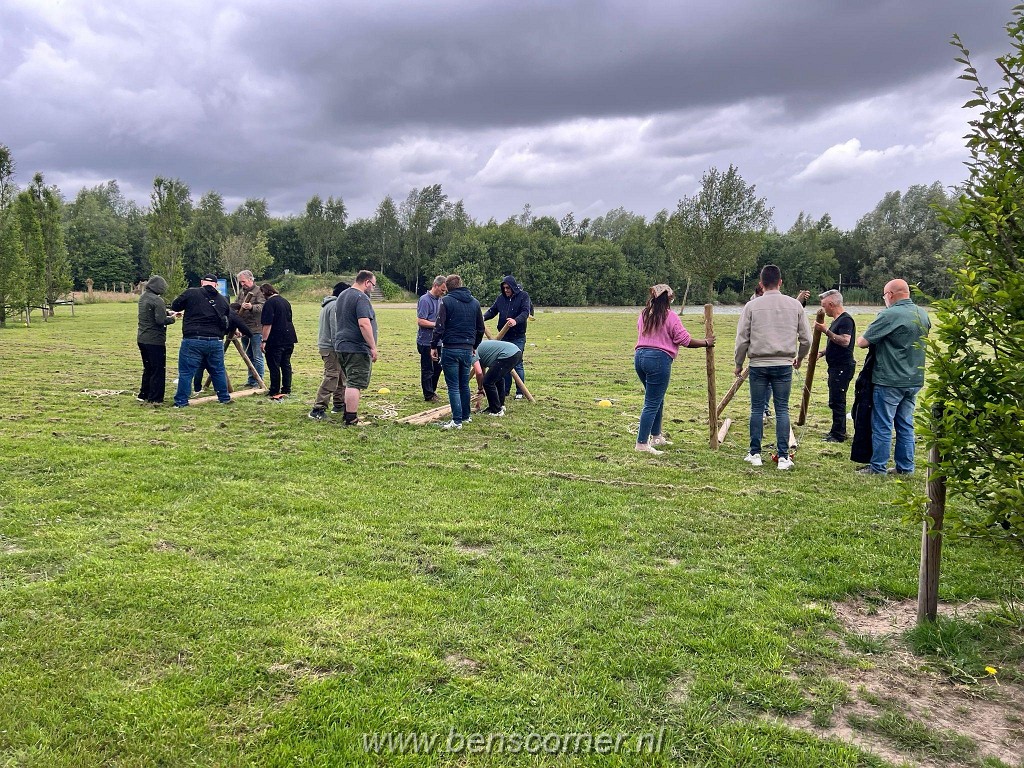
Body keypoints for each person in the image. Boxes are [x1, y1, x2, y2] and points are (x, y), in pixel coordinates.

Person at [734, 264, 811, 470]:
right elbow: (807, 339)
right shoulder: (795, 305)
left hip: (758, 364)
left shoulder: (751, 306)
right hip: (784, 364)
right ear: (780, 282)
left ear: (761, 284)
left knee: (757, 408)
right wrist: (800, 358)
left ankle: (755, 453)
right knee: (782, 409)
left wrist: (738, 363)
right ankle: (784, 457)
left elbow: (742, 339)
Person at [854, 279, 931, 475]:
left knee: (882, 424)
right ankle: (905, 467)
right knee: (905, 424)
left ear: (890, 295)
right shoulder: (922, 313)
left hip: (889, 379)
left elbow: (862, 342)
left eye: (884, 296)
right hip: (914, 379)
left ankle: (878, 466)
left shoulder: (889, 315)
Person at [634, 284, 714, 454]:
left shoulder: (644, 314)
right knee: (652, 402)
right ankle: (641, 444)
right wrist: (706, 342)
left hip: (640, 357)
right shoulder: (670, 316)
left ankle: (656, 437)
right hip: (658, 360)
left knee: (656, 398)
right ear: (668, 299)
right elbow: (685, 340)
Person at [431, 274, 485, 430]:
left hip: (450, 348)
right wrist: (474, 345)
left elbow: (439, 326)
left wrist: (433, 346)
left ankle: (456, 421)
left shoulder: (446, 301)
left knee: (453, 386)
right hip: (467, 348)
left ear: (447, 287)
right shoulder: (475, 303)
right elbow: (480, 328)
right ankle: (466, 416)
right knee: (464, 384)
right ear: (461, 284)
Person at [170, 274, 232, 407]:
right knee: (218, 370)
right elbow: (228, 319)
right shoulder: (223, 300)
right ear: (216, 285)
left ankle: (181, 401)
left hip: (193, 338)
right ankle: (224, 398)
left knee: (186, 372)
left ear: (202, 282)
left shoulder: (191, 293)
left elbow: (175, 306)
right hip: (215, 340)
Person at [332, 270, 379, 427]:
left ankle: (347, 413)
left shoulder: (342, 295)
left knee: (350, 381)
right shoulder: (361, 297)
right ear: (367, 282)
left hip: (341, 345)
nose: (373, 288)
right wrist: (373, 346)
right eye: (373, 285)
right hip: (356, 347)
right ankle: (351, 419)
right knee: (355, 383)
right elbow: (364, 323)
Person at [814, 289, 856, 443]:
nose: (823, 309)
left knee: (838, 401)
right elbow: (835, 343)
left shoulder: (846, 320)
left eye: (824, 305)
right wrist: (822, 353)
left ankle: (839, 434)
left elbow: (844, 341)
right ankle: (835, 431)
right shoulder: (837, 320)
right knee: (834, 399)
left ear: (831, 304)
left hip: (842, 367)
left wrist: (825, 330)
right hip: (835, 367)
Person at [482, 275, 531, 400]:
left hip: (517, 336)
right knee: (504, 363)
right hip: (504, 336)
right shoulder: (501, 298)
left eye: (508, 288)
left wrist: (515, 321)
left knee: (517, 363)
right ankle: (505, 390)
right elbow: (492, 311)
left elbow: (525, 312)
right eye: (504, 288)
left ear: (513, 287)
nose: (506, 290)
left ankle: (520, 392)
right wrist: (482, 317)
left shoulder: (523, 296)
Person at [309, 281, 350, 420]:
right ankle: (318, 408)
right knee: (331, 376)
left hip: (331, 346)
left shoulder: (330, 304)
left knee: (341, 376)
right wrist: (341, 347)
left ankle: (339, 404)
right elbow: (335, 329)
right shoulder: (335, 306)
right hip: (332, 347)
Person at [136, 275, 177, 404]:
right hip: (155, 340)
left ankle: (144, 394)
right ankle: (156, 398)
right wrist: (172, 318)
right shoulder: (158, 300)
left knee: (148, 368)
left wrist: (167, 312)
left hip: (142, 338)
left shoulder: (143, 297)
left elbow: (152, 313)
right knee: (158, 369)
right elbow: (160, 320)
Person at [259, 283, 297, 401]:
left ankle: (274, 389)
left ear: (265, 292)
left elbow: (267, 324)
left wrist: (264, 340)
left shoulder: (269, 303)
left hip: (275, 339)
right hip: (289, 337)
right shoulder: (285, 301)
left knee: (274, 365)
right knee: (286, 364)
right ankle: (286, 388)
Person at [416, 275, 447, 402]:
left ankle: (432, 391)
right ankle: (428, 395)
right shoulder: (424, 300)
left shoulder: (441, 300)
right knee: (428, 369)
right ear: (435, 286)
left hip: (438, 341)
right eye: (442, 289)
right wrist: (437, 325)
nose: (444, 292)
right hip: (425, 341)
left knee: (438, 367)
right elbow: (421, 321)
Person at [473, 339, 523, 416]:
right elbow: (482, 371)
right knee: (497, 379)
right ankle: (499, 405)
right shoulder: (475, 347)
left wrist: (480, 388)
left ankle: (496, 410)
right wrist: (480, 389)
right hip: (515, 352)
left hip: (508, 355)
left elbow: (479, 372)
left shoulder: (470, 351)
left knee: (488, 382)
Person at [233, 270, 266, 388]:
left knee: (257, 357)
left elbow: (263, 307)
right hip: (244, 328)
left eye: (244, 281)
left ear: (251, 279)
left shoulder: (259, 292)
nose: (242, 284)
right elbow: (236, 304)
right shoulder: (241, 293)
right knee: (248, 356)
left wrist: (251, 307)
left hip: (256, 329)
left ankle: (259, 381)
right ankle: (251, 380)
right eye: (240, 282)